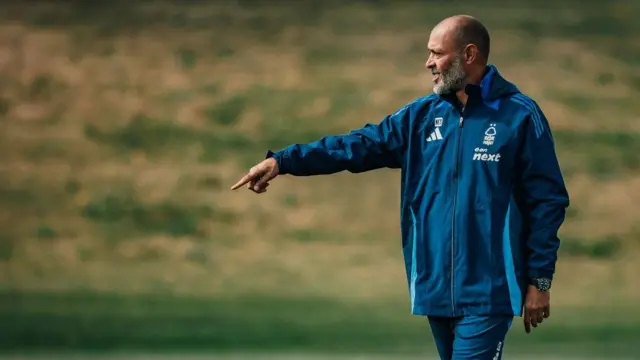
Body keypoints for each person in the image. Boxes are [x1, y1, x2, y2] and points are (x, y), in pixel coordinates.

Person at [231, 15, 569, 360]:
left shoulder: (520, 116)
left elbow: (548, 202)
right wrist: (284, 161)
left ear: (469, 54)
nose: (428, 63)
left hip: (490, 290)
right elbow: (355, 146)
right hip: (435, 289)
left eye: (436, 53)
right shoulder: (419, 117)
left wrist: (539, 282)